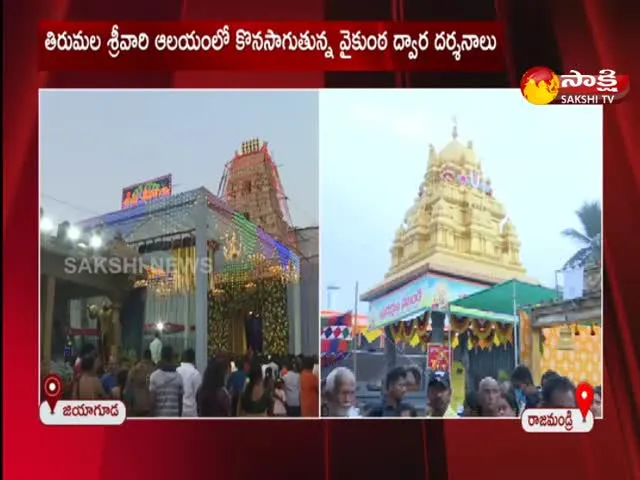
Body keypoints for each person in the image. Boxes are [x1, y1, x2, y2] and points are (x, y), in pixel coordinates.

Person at [149, 345, 183, 417]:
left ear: (161, 356)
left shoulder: (154, 376)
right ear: (172, 357)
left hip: (159, 419)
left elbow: (152, 403)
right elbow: (180, 403)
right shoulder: (179, 377)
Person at [127, 349, 155, 417]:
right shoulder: (154, 370)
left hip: (137, 405)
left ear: (142, 357)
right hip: (150, 406)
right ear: (151, 357)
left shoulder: (135, 369)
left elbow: (128, 385)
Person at [176, 348, 202, 417]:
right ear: (193, 360)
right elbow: (198, 394)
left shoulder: (176, 371)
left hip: (178, 410)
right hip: (191, 411)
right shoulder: (195, 373)